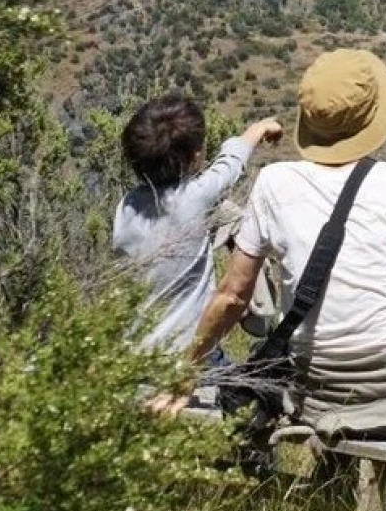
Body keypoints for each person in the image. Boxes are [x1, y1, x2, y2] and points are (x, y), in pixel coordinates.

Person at [181, 49, 386, 439]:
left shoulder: (273, 183)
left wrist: (185, 371)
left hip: (315, 385)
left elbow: (232, 296)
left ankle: (333, 481)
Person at [112, 95, 284, 358]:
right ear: (195, 157)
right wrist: (258, 129)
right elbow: (230, 162)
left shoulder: (127, 204)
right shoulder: (197, 197)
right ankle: (260, 314)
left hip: (136, 351)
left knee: (228, 214)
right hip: (190, 353)